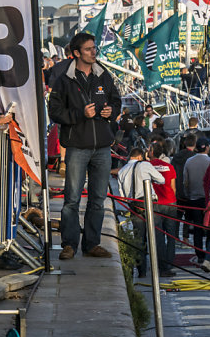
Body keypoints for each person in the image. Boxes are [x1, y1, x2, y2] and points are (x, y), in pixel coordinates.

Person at [48, 31, 122, 260]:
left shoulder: (103, 75)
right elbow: (55, 112)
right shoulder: (64, 80)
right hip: (77, 146)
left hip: (101, 146)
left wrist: (112, 111)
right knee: (71, 199)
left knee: (98, 199)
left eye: (94, 48)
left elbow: (116, 100)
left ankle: (93, 243)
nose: (94, 52)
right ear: (77, 53)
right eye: (89, 49)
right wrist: (80, 114)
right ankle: (69, 244)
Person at [115, 147, 163, 277]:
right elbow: (161, 180)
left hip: (133, 205)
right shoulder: (145, 165)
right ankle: (161, 267)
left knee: (139, 239)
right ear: (140, 156)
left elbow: (122, 194)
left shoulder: (122, 171)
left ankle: (141, 270)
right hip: (148, 203)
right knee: (156, 235)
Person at [149, 141, 179, 277]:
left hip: (156, 204)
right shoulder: (169, 166)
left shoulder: (147, 167)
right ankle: (169, 262)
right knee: (171, 235)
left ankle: (161, 265)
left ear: (151, 152)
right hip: (170, 202)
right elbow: (173, 188)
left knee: (158, 236)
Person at [181, 139, 210, 264]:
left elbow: (185, 181)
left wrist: (188, 194)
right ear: (207, 148)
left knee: (197, 227)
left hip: (193, 198)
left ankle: (199, 254)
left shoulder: (189, 162)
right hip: (208, 199)